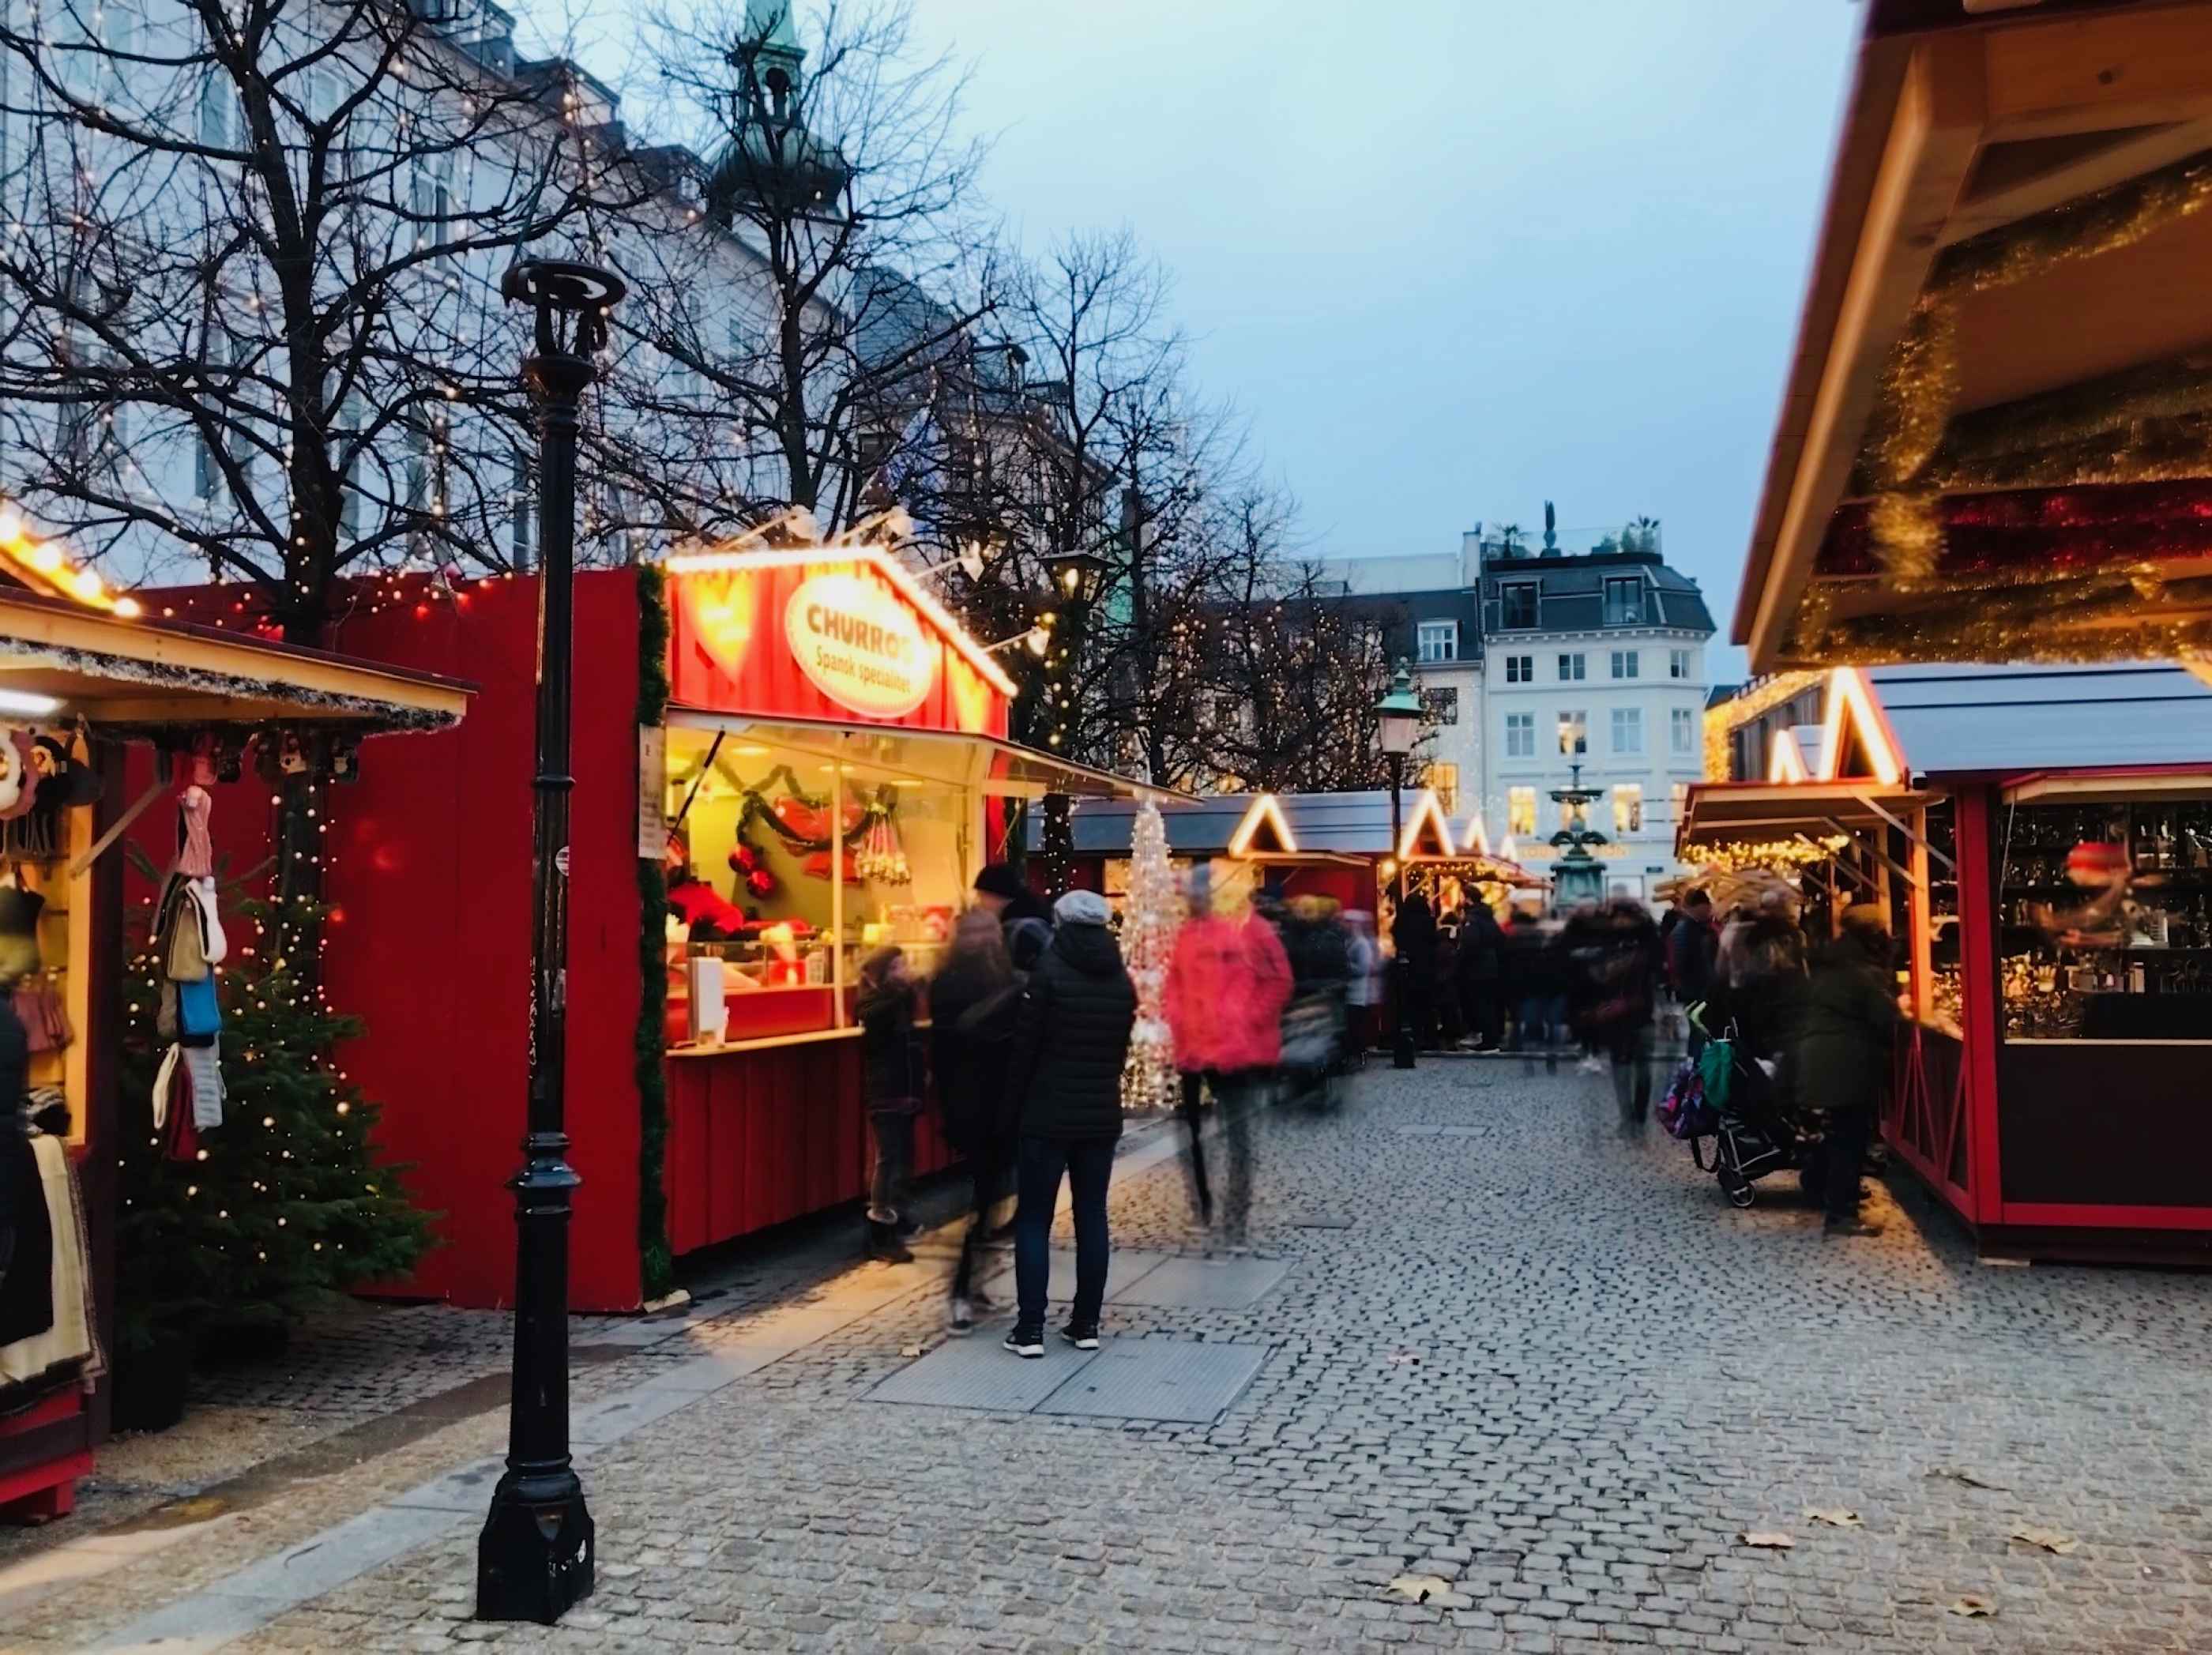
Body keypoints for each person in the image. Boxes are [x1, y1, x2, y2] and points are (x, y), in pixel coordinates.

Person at [1003, 889, 1138, 1358]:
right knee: (1092, 1216)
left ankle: (1030, 1328)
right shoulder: (1121, 979)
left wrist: (1012, 1108)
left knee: (1035, 1219)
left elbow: (1023, 1052)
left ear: (1060, 924)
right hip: (1100, 1114)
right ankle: (1086, 1324)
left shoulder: (1048, 973)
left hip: (1045, 1113)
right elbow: (1120, 1051)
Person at [1164, 874, 1292, 1236]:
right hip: (1192, 1048)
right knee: (1190, 1134)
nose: (1189, 901)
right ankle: (1203, 1208)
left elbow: (1280, 980)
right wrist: (1176, 1017)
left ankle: (1235, 1216)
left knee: (1236, 1134)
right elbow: (1175, 981)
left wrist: (1244, 1018)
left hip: (1234, 1051)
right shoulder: (1188, 934)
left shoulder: (1252, 930)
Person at [929, 910, 1021, 1333]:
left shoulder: (999, 974)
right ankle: (961, 1292)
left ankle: (973, 1285)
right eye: (980, 931)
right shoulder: (952, 980)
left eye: (991, 930)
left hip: (1000, 1097)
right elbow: (958, 1034)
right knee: (981, 1199)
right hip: (970, 1099)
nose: (988, 938)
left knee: (992, 1198)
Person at [1796, 905, 1899, 1238]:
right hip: (1846, 1062)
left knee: (1837, 1132)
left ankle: (1819, 1190)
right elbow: (1883, 1016)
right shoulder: (1862, 969)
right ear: (1874, 934)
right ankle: (1841, 1214)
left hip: (1824, 1058)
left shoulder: (1833, 960)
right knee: (1849, 1138)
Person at [856, 946, 924, 1264]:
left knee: (904, 1155)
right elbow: (875, 1026)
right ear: (884, 972)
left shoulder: (902, 1000)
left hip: (905, 1087)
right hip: (885, 1090)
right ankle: (879, 1229)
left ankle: (897, 1215)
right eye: (897, 966)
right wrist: (900, 992)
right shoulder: (876, 1002)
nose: (904, 970)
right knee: (888, 1157)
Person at [1589, 900, 1664, 1132]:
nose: (1620, 921)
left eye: (1624, 917)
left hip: (1640, 1014)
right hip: (1619, 1016)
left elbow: (1657, 975)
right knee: (1623, 1068)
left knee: (1640, 1069)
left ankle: (1637, 1116)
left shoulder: (1648, 945)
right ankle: (1628, 1117)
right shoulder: (1609, 944)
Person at [1454, 900, 1506, 1051]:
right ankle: (1492, 1037)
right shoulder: (1490, 920)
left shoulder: (1473, 921)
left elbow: (1470, 943)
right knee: (1489, 1004)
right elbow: (1501, 940)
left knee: (1482, 1005)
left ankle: (1488, 1040)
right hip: (1491, 967)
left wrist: (1459, 958)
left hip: (1477, 969)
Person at [1390, 890, 1439, 1050]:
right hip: (1427, 967)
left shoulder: (1401, 921)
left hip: (1409, 968)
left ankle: (1415, 1037)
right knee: (1428, 1005)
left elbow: (1398, 941)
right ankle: (1431, 1038)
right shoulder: (1429, 922)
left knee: (1411, 1005)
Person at [1341, 910, 1380, 1055]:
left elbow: (1364, 968)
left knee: (1356, 1025)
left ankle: (1359, 1053)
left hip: (1358, 992)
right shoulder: (1350, 942)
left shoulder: (1361, 944)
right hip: (1351, 992)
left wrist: (1346, 965)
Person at [972, 863, 1052, 931]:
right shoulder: (1028, 919)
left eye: (983, 895)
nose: (979, 902)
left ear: (999, 896)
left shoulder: (1018, 929)